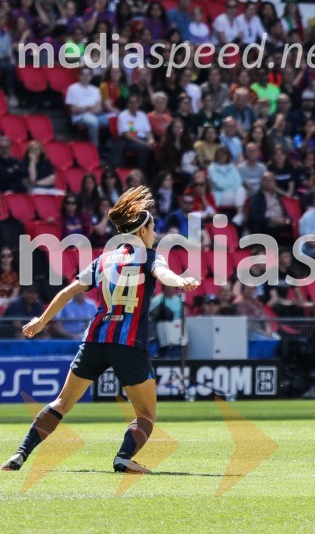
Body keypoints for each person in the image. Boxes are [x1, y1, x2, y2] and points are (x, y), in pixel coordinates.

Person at [2, 186, 199, 473]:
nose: (155, 232)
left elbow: (69, 291)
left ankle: (20, 454)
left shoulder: (103, 260)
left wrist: (41, 321)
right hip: (128, 344)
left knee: (62, 401)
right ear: (143, 231)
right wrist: (179, 281)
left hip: (95, 339)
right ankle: (123, 457)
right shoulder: (150, 256)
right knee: (146, 414)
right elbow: (163, 274)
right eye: (153, 227)